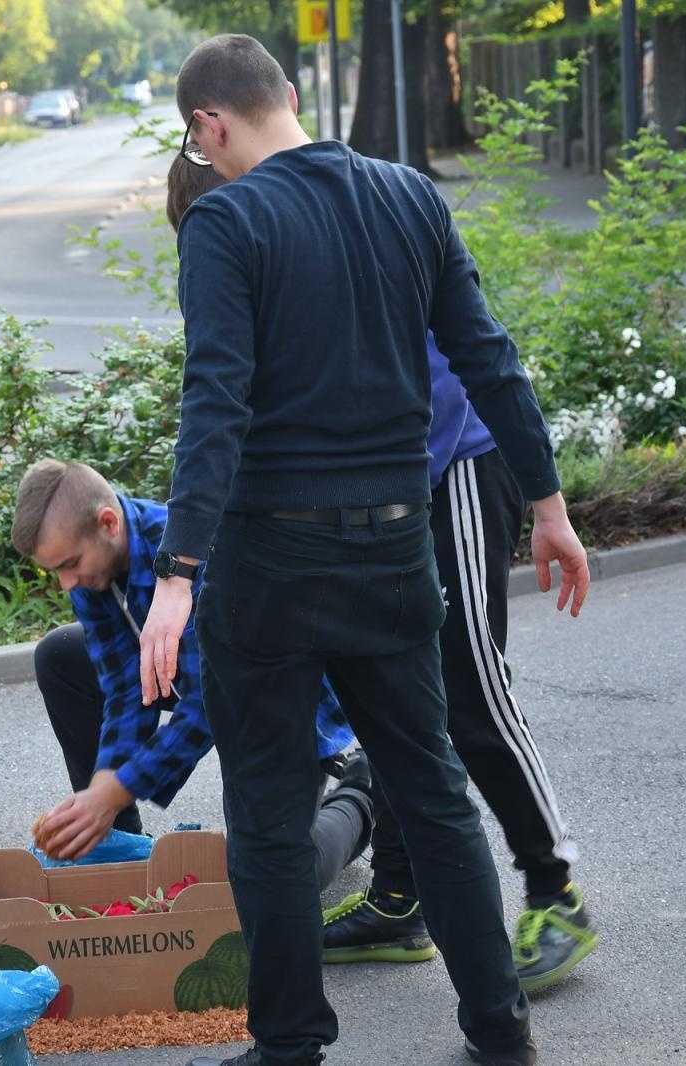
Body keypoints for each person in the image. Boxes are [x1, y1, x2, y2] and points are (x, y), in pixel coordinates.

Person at [139, 34, 590, 1066]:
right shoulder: (408, 197)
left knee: (263, 810)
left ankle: (291, 1044)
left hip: (268, 563)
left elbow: (216, 405)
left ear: (208, 127)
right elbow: (489, 358)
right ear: (287, 97)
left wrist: (176, 574)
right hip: (395, 553)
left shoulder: (221, 221)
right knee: (431, 793)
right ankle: (498, 1030)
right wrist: (549, 506)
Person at [14, 459, 374, 893]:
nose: (66, 583)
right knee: (61, 655)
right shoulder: (95, 568)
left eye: (70, 564)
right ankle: (121, 846)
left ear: (107, 523)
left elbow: (212, 701)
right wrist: (106, 787)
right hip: (203, 682)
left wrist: (118, 788)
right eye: (55, 570)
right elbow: (126, 686)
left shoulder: (200, 554)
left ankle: (362, 791)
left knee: (273, 879)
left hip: (279, 701)